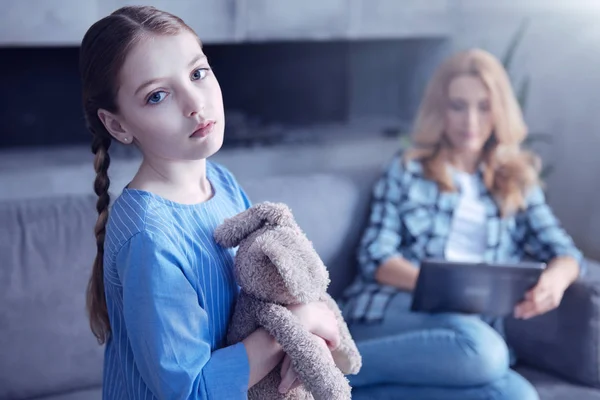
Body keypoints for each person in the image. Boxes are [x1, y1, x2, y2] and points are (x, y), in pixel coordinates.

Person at [81, 6, 340, 399]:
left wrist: (299, 344)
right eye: (157, 96)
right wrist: (294, 327)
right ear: (117, 125)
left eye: (198, 73)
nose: (195, 104)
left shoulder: (220, 182)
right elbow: (192, 390)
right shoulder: (149, 238)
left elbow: (264, 288)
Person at [340, 48, 585, 399]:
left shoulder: (517, 181)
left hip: (465, 333)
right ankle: (320, 372)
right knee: (485, 351)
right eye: (458, 106)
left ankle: (347, 390)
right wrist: (447, 288)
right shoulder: (407, 170)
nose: (470, 121)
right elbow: (375, 256)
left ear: (499, 111)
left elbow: (564, 251)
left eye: (483, 106)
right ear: (440, 110)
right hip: (393, 311)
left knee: (518, 396)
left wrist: (556, 280)